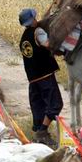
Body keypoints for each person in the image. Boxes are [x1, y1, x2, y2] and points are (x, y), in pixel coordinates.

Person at [19, 8, 63, 147]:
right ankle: (42, 133)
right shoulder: (38, 32)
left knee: (39, 106)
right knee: (55, 104)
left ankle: (39, 133)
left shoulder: (24, 37)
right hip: (45, 76)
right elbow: (48, 45)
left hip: (33, 79)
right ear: (32, 20)